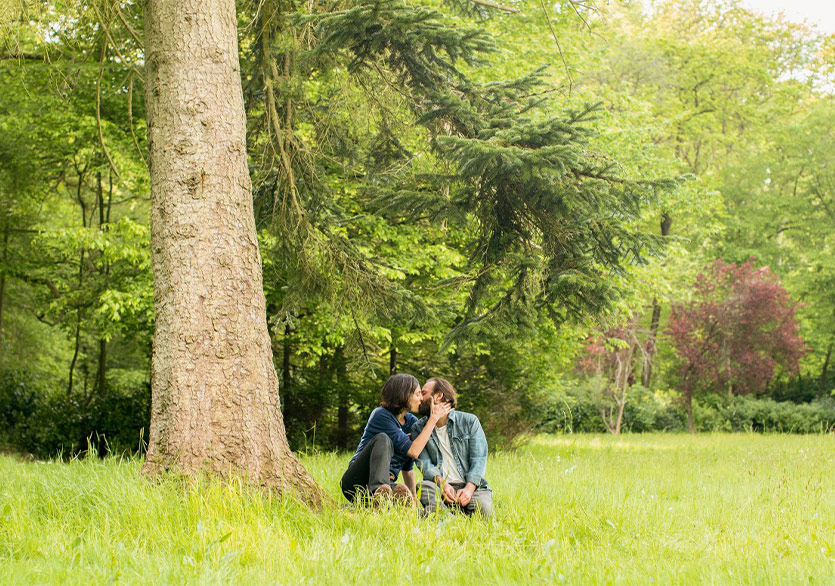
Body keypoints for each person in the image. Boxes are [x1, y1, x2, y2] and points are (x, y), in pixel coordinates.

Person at [340, 373, 451, 505]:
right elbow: (414, 451)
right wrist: (433, 419)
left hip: (387, 483)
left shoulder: (411, 422)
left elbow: (407, 467)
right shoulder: (381, 415)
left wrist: (414, 497)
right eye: (417, 394)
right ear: (404, 395)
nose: (421, 398)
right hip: (356, 481)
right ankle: (379, 494)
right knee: (383, 439)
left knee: (402, 492)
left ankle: (384, 500)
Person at [412, 377, 493, 519]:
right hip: (439, 487)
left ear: (438, 396)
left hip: (472, 487)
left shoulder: (469, 421)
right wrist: (443, 485)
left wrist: (468, 489)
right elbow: (424, 463)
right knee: (423, 487)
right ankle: (450, 518)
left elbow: (478, 459)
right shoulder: (418, 428)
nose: (419, 398)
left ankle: (444, 515)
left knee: (484, 512)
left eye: (423, 393)